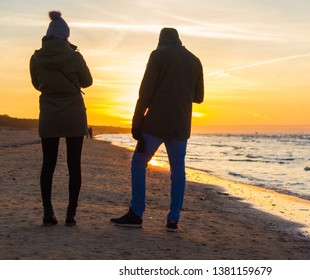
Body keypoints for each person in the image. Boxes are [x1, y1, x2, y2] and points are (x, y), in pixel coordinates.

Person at [110, 28, 204, 232]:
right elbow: (199, 97)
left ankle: (136, 212)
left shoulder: (158, 55)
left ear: (161, 40)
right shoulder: (194, 60)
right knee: (178, 171)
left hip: (156, 122)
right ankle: (173, 219)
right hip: (180, 124)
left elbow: (145, 91)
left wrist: (136, 121)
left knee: (138, 162)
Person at [30, 11, 93, 226]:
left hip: (49, 113)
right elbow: (87, 82)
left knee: (48, 164)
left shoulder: (36, 57)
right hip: (74, 114)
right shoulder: (74, 56)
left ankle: (48, 211)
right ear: (66, 36)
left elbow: (37, 85)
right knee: (74, 165)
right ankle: (71, 214)